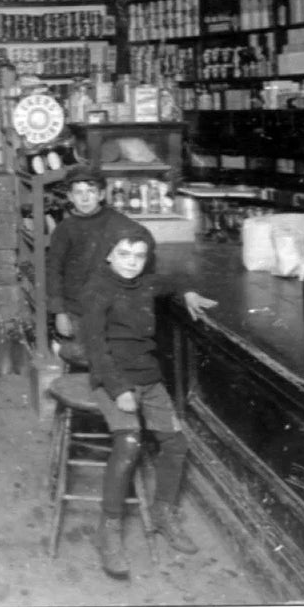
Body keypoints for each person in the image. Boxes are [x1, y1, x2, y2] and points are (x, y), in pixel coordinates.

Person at [81, 224, 217, 579]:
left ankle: (163, 512)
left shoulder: (145, 282)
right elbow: (95, 348)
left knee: (176, 443)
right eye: (124, 254)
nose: (131, 263)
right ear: (109, 254)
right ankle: (108, 530)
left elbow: (172, 277)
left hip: (148, 377)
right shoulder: (97, 289)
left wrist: (186, 291)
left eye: (139, 256)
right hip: (112, 378)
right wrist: (119, 389)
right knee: (129, 442)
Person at [46, 163, 137, 364]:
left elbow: (142, 237)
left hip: (110, 305)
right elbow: (54, 271)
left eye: (91, 191)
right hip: (75, 307)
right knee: (83, 357)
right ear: (69, 197)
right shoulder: (64, 229)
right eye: (78, 193)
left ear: (102, 194)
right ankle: (61, 349)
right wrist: (59, 312)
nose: (85, 198)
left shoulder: (117, 221)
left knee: (110, 357)